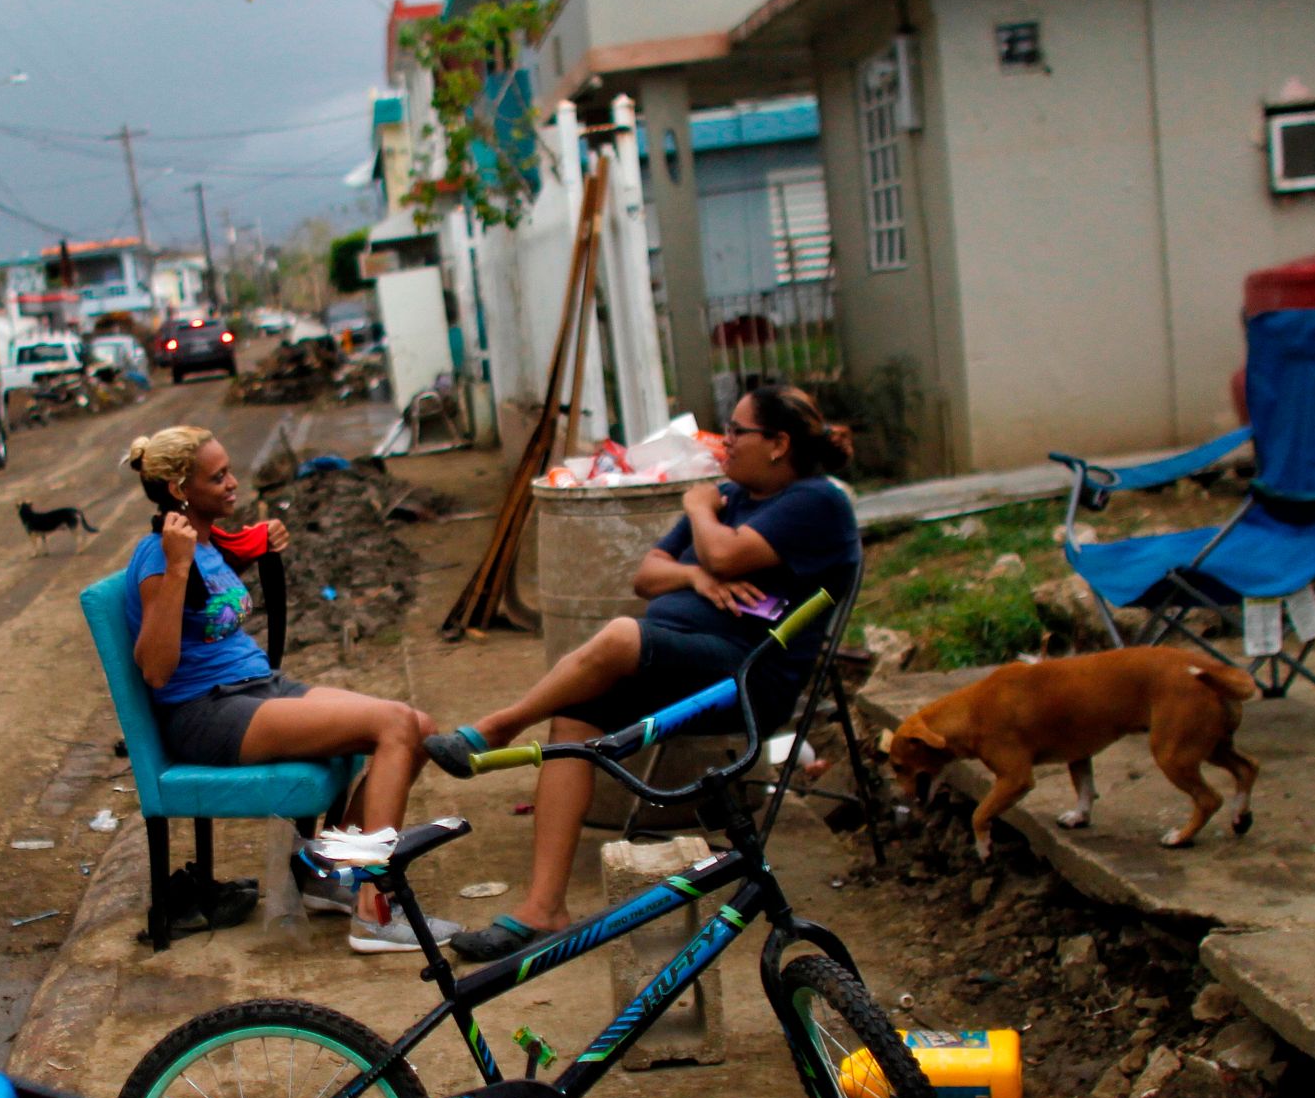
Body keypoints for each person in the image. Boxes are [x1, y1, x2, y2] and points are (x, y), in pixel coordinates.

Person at [422, 385, 861, 962]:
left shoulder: (815, 502)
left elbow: (727, 555)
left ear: (778, 444)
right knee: (574, 721)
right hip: (682, 659)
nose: (724, 442)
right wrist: (695, 579)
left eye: (736, 431)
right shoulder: (733, 496)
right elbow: (647, 576)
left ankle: (500, 727)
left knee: (622, 636)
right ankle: (543, 907)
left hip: (745, 677)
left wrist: (699, 511)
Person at [123, 425, 457, 954]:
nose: (234, 483)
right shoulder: (161, 556)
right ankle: (374, 909)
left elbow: (207, 606)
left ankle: (328, 873)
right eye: (219, 477)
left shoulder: (208, 544)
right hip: (209, 711)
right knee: (393, 725)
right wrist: (179, 562)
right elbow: (156, 669)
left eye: (230, 470)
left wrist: (249, 551)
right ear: (179, 490)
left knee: (418, 725)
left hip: (259, 688)